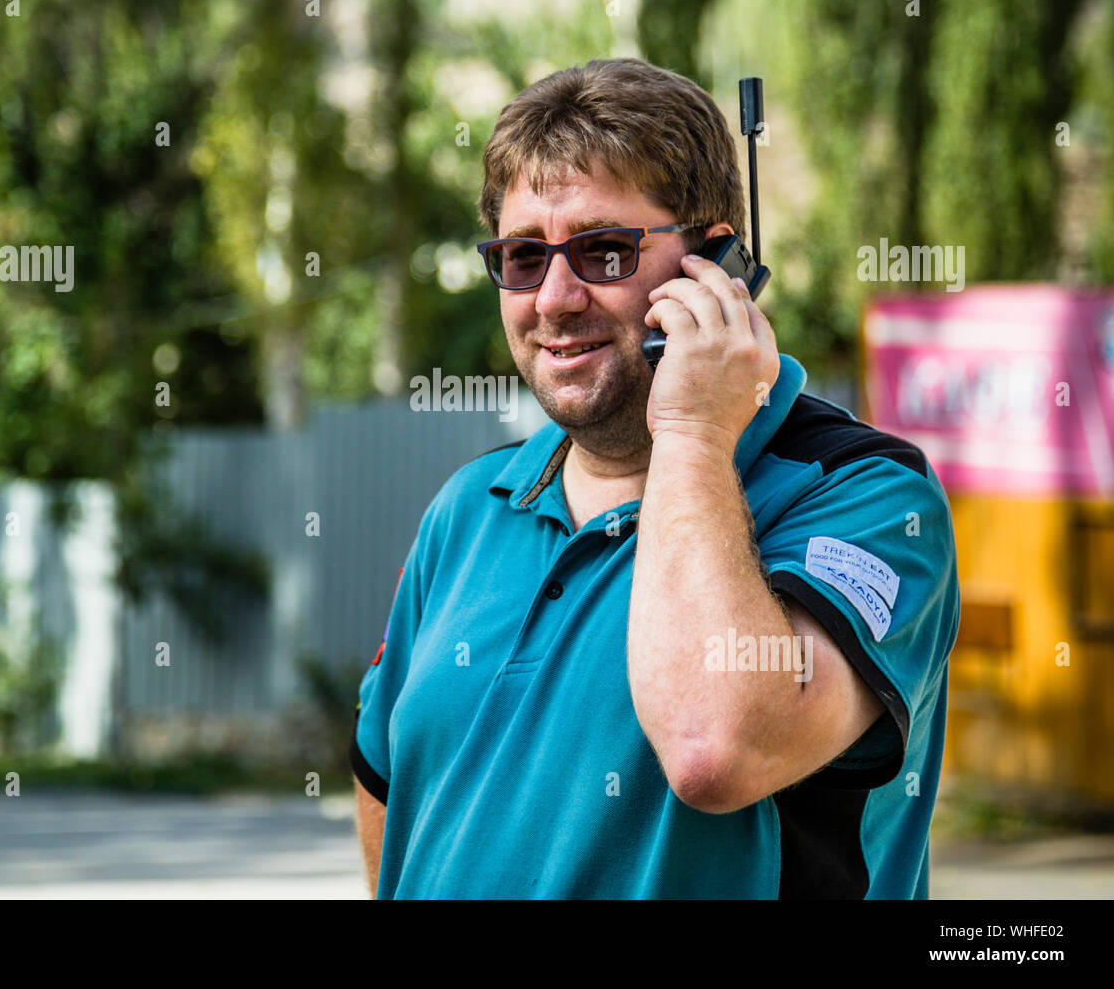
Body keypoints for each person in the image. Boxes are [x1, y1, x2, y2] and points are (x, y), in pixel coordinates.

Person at [348, 57, 960, 899]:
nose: (554, 298)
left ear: (719, 267)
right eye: (523, 257)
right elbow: (385, 777)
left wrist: (696, 431)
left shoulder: (867, 496)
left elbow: (715, 747)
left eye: (602, 251)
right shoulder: (468, 507)